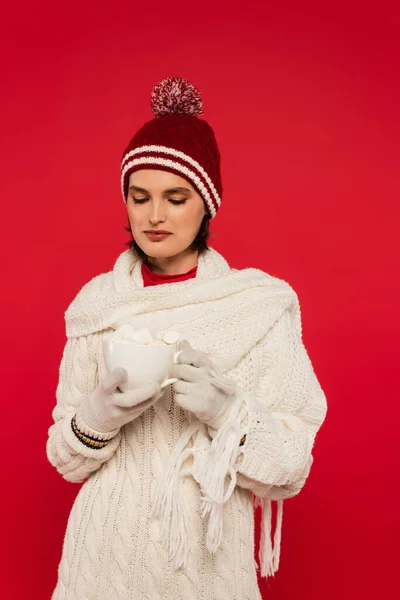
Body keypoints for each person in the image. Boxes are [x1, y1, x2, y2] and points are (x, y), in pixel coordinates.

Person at [46, 76, 328, 600]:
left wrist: (229, 414)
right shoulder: (97, 306)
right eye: (140, 197)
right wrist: (98, 418)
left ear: (207, 205)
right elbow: (66, 460)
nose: (154, 216)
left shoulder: (259, 307)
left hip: (208, 571)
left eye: (176, 198)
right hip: (101, 567)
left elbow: (291, 468)